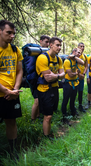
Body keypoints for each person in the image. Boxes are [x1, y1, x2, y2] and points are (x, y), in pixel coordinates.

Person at [0, 20, 23, 159]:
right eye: (9, 32)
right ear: (0, 31)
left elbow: (19, 71)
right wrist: (6, 91)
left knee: (11, 121)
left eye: (13, 33)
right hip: (3, 93)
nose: (12, 36)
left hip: (12, 93)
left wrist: (14, 89)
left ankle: (13, 151)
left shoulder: (15, 49)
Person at [36, 37, 65, 138]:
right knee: (47, 116)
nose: (59, 47)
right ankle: (46, 137)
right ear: (51, 45)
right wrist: (59, 76)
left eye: (60, 45)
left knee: (51, 114)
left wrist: (56, 76)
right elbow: (48, 78)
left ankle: (48, 133)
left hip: (54, 88)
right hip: (44, 90)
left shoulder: (58, 59)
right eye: (57, 45)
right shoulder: (42, 58)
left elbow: (62, 74)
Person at [61, 48, 84, 125]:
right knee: (65, 100)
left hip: (75, 83)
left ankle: (73, 113)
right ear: (73, 52)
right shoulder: (67, 61)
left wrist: (75, 57)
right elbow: (70, 75)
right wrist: (77, 73)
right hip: (68, 83)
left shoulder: (75, 60)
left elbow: (83, 62)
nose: (79, 54)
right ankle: (64, 117)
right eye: (78, 52)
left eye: (80, 53)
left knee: (73, 100)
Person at [31, 35, 50, 121]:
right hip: (34, 79)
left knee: (39, 100)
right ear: (40, 41)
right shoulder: (36, 52)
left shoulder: (45, 53)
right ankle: (32, 119)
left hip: (40, 79)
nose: (48, 44)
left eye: (49, 42)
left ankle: (38, 117)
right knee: (37, 100)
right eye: (46, 42)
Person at [77, 42, 88, 112]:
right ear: (78, 47)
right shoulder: (75, 55)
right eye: (81, 46)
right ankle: (72, 108)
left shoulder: (84, 56)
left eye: (83, 46)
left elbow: (86, 66)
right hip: (75, 77)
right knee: (73, 93)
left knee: (80, 92)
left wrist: (83, 74)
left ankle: (80, 106)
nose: (82, 48)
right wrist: (79, 74)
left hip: (82, 77)